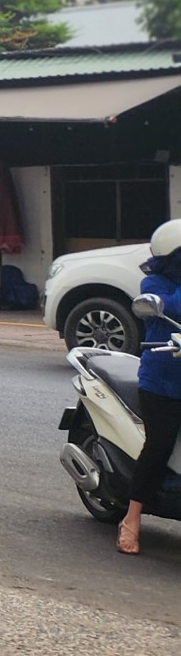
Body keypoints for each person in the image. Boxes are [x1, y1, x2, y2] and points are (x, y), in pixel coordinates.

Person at [120, 220, 181, 556]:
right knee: (158, 445)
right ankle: (132, 518)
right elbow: (170, 307)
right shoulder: (154, 282)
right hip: (162, 380)